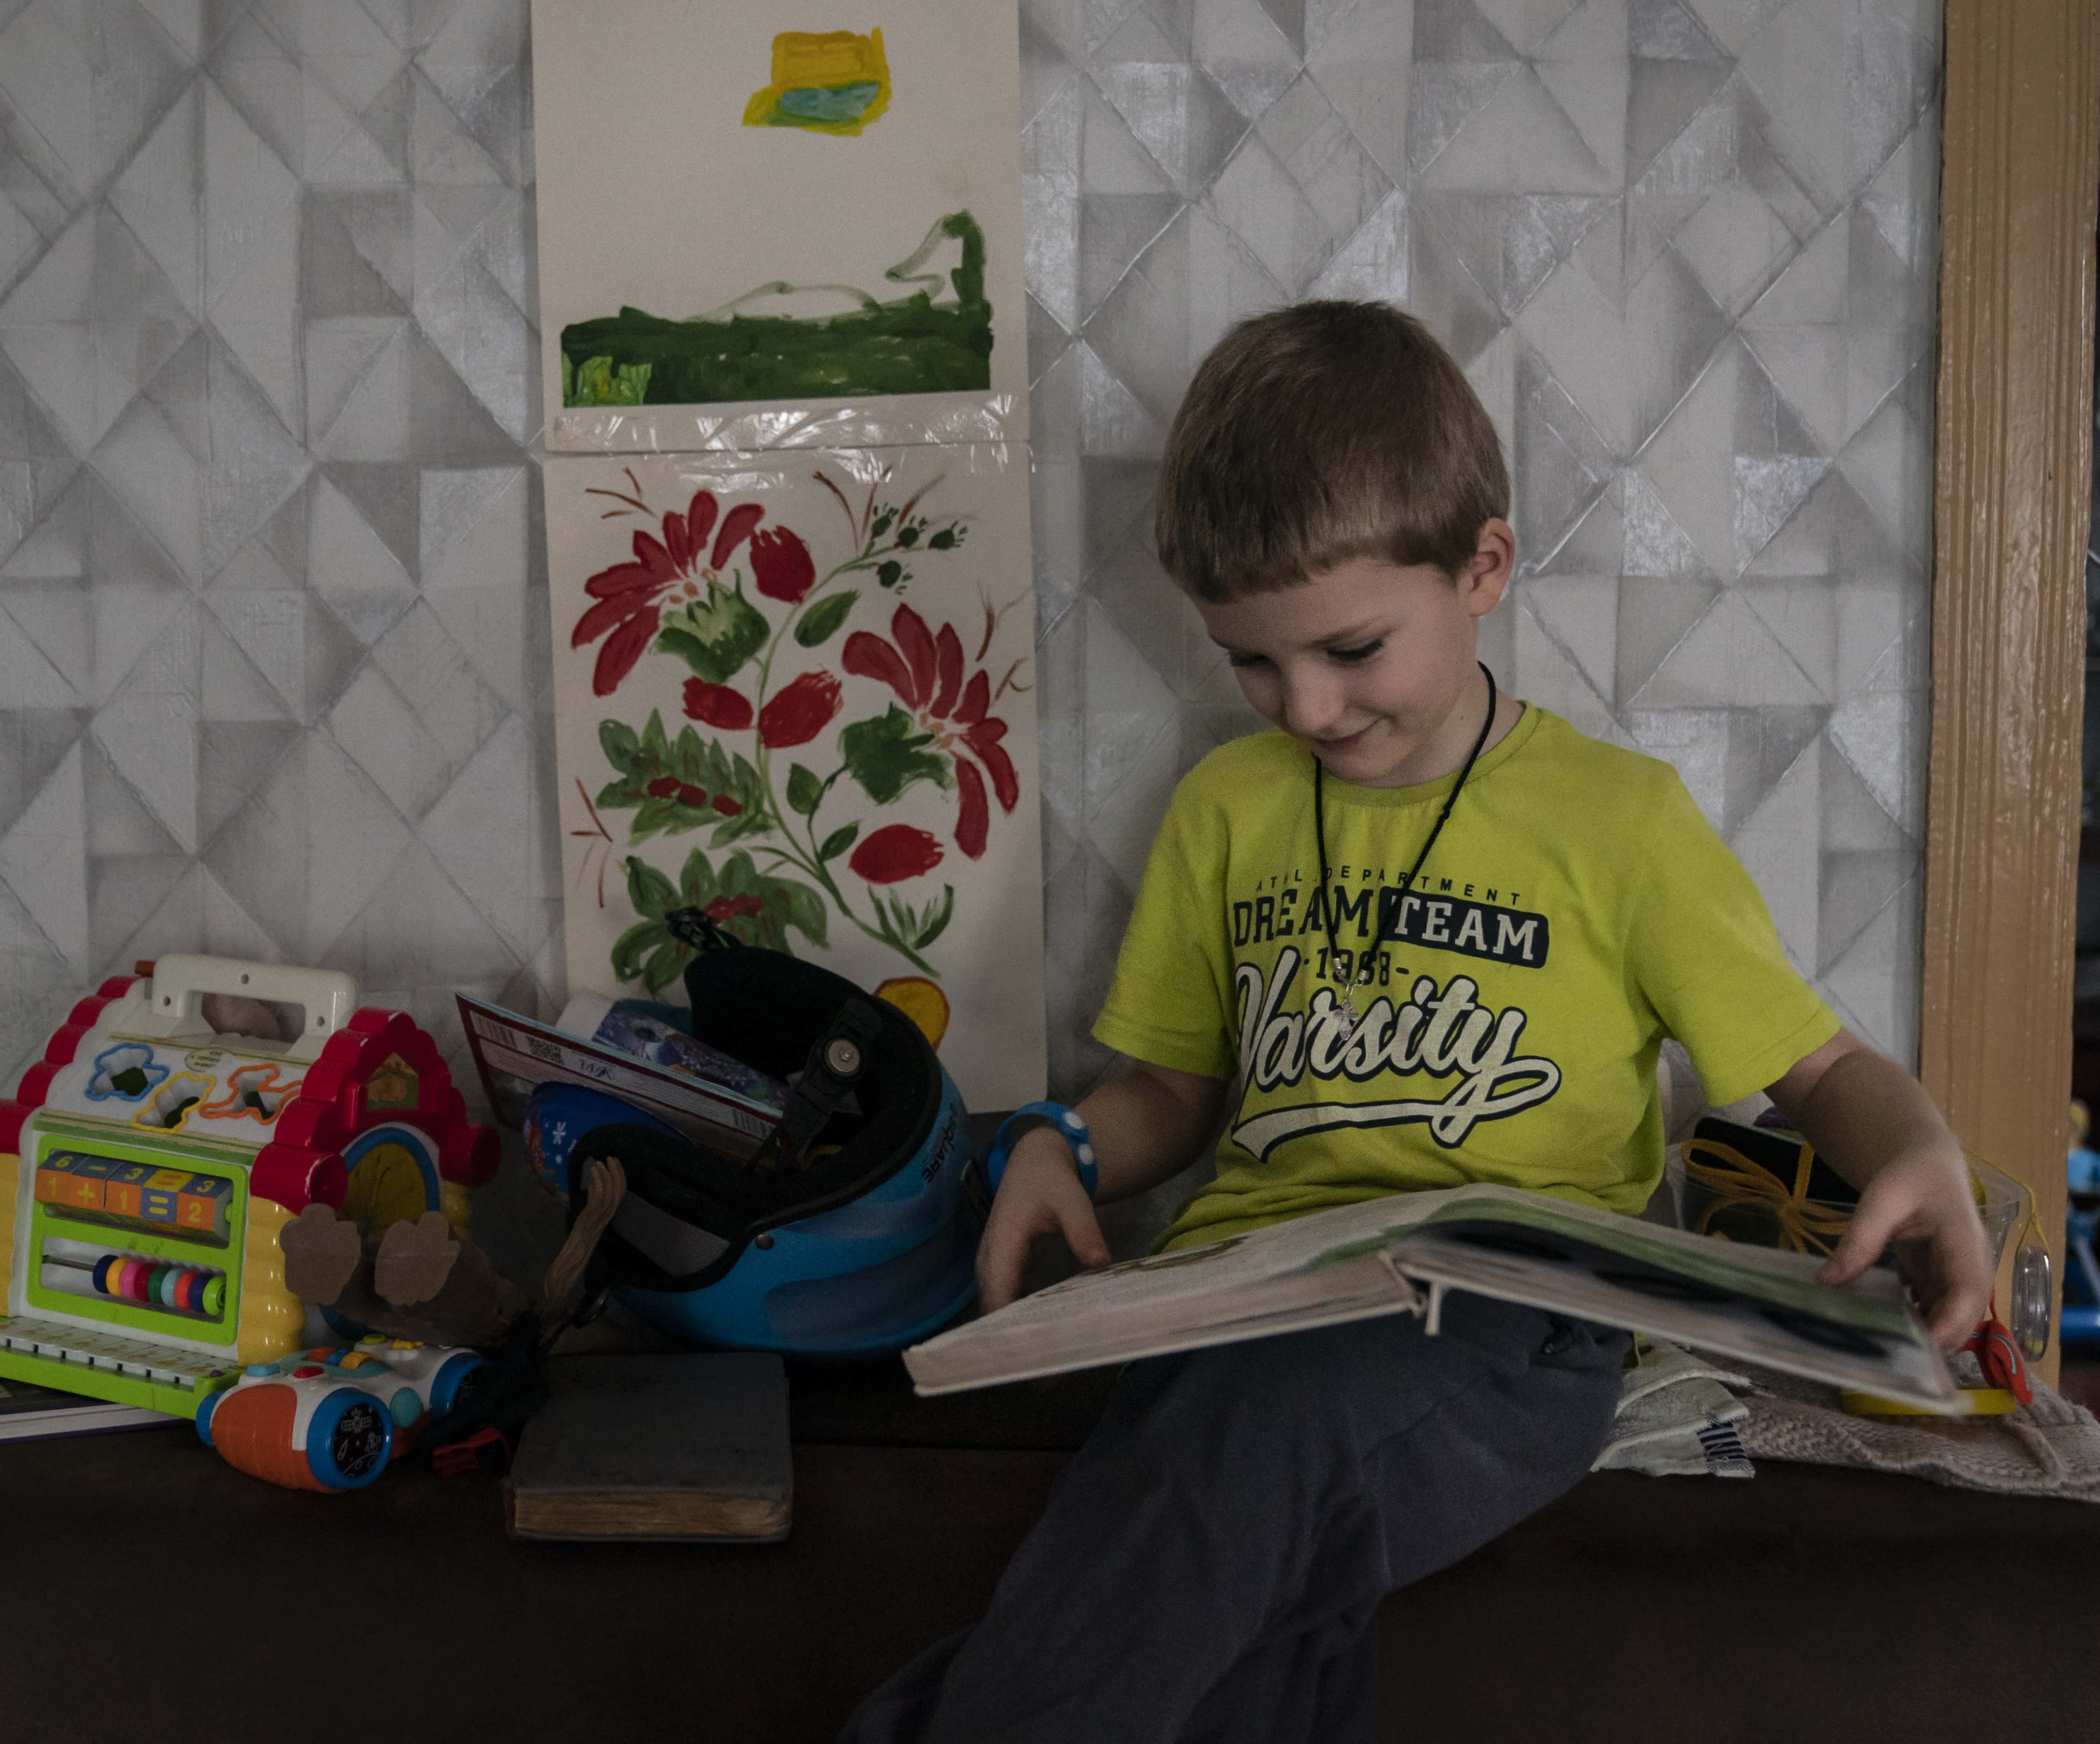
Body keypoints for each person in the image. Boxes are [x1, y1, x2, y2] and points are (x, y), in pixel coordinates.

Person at [841, 301, 1992, 1744]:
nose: (1306, 706)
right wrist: (1065, 1143)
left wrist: (1923, 1147)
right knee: (1244, 1562)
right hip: (1242, 1296)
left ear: (1485, 567)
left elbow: (1816, 1066)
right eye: (1252, 663)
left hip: (1507, 1321)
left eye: (1351, 649)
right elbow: (1169, 1093)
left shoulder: (1617, 823)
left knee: (1249, 1458)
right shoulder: (1228, 809)